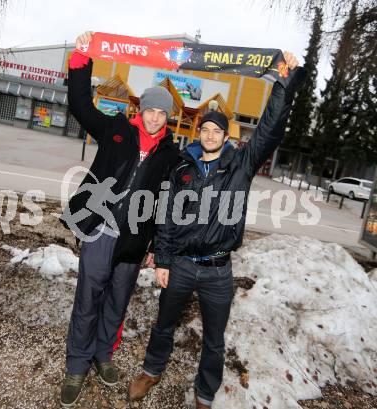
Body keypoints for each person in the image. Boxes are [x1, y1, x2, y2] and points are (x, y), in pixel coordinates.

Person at [129, 52, 304, 408]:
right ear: (199, 133)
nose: (210, 134)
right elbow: (165, 216)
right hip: (179, 265)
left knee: (214, 339)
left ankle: (205, 393)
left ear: (226, 136)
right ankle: (151, 370)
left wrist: (283, 86)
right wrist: (162, 259)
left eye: (217, 130)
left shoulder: (241, 165)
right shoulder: (183, 167)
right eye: (205, 129)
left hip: (217, 270)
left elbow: (270, 130)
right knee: (163, 324)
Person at [59, 31, 180, 407]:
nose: (155, 116)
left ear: (167, 116)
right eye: (150, 109)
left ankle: (102, 356)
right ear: (140, 109)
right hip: (100, 232)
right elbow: (80, 104)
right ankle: (77, 366)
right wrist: (81, 57)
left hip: (133, 242)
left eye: (162, 112)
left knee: (116, 303)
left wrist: (157, 250)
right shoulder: (116, 130)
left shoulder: (170, 156)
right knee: (88, 300)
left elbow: (165, 206)